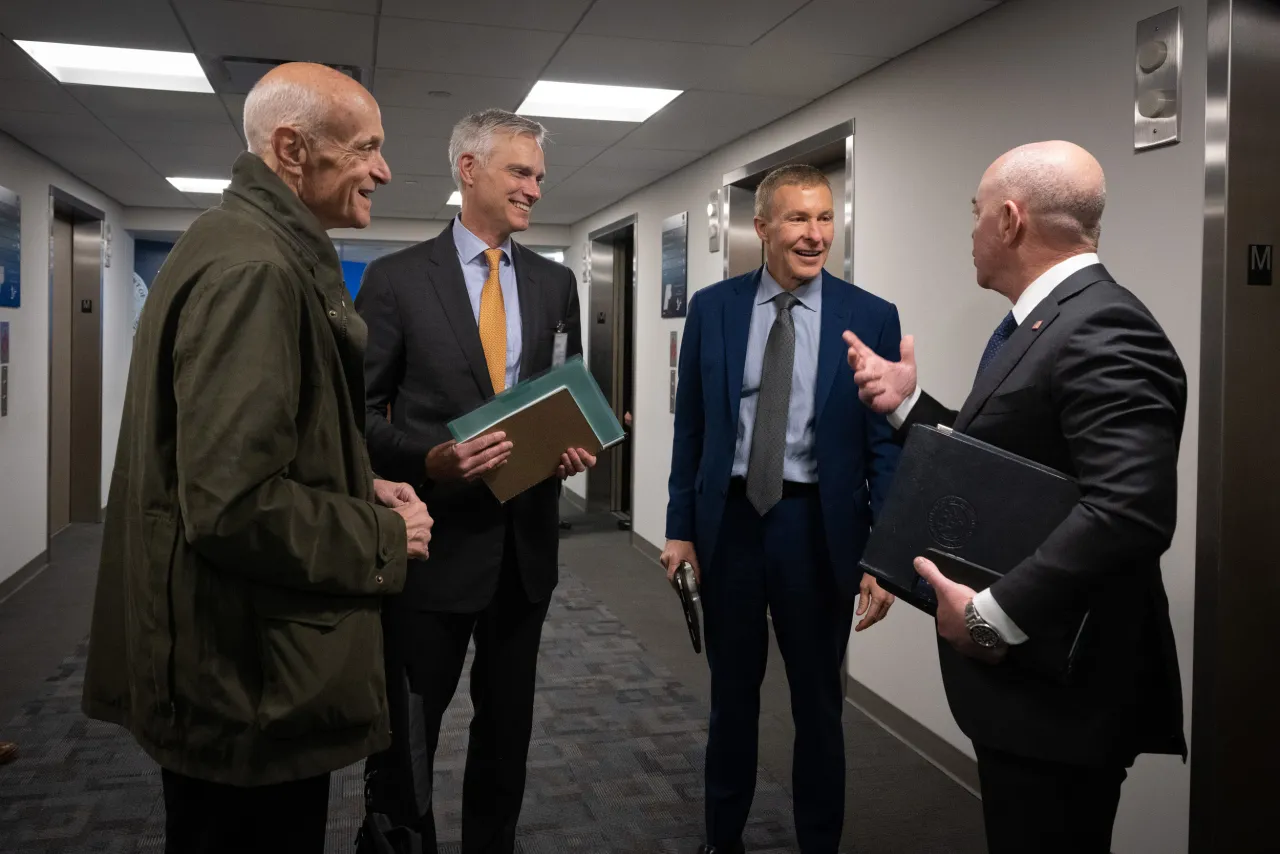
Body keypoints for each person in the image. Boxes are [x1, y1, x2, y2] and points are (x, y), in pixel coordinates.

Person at [80, 63, 434, 854]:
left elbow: (246, 452)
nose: (382, 169)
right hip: (243, 680)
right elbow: (233, 504)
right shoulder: (258, 273)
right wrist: (381, 537)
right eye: (367, 148)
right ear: (293, 150)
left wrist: (355, 481)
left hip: (230, 658)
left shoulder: (237, 243)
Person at [845, 141, 1187, 853]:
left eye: (974, 213)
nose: (969, 230)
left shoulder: (1103, 326)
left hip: (1065, 691)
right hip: (1033, 694)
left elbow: (1129, 510)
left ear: (1008, 219)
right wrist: (911, 409)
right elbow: (1009, 465)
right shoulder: (1049, 320)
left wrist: (992, 619)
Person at [357, 108, 594, 853]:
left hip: (525, 552)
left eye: (539, 178)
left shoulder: (556, 285)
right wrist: (429, 460)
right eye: (520, 173)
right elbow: (353, 417)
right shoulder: (396, 280)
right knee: (409, 734)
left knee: (508, 732)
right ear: (469, 171)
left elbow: (565, 396)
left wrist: (573, 444)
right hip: (432, 548)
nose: (534, 190)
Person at [663, 164, 900, 854]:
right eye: (798, 219)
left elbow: (884, 446)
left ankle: (818, 842)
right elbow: (694, 430)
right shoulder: (715, 307)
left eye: (826, 218)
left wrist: (882, 553)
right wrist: (680, 529)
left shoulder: (871, 315)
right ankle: (722, 838)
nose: (816, 234)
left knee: (819, 705)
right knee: (731, 700)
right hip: (732, 523)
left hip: (817, 530)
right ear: (761, 227)